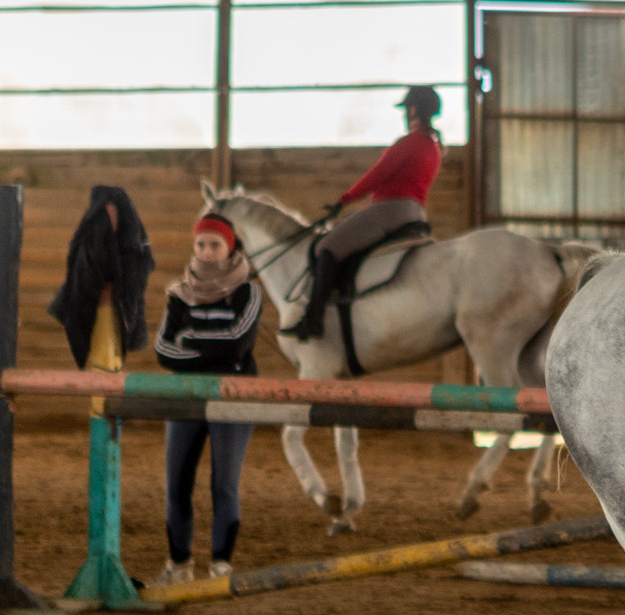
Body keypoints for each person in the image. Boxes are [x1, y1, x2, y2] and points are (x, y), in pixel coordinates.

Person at [154, 215, 263, 581]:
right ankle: (180, 563)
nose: (207, 252)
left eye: (215, 244)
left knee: (224, 484)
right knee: (177, 483)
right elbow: (163, 350)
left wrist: (192, 343)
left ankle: (221, 564)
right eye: (200, 244)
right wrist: (213, 351)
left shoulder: (248, 291)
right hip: (185, 397)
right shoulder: (178, 293)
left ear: (230, 246)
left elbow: (238, 344)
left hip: (233, 395)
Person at [289, 85, 442, 342]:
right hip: (415, 212)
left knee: (326, 246)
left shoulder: (410, 142)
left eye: (406, 109)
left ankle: (313, 320)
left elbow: (377, 175)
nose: (405, 114)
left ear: (413, 109)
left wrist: (343, 201)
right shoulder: (434, 146)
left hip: (391, 209)